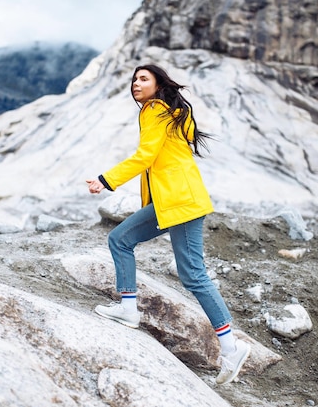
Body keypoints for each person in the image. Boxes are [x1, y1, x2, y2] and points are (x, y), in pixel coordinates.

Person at [86, 64, 250, 385]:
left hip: (181, 203)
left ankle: (231, 348)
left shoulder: (154, 111)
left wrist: (107, 180)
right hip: (169, 203)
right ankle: (129, 308)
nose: (136, 83)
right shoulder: (171, 112)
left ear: (157, 84)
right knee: (120, 239)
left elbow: (145, 156)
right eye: (134, 79)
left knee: (194, 274)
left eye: (143, 79)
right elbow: (172, 147)